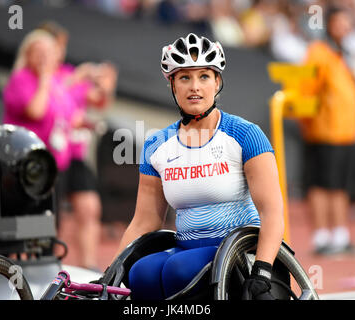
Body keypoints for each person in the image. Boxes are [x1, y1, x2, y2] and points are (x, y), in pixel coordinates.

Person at [112, 33, 284, 300]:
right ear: (172, 84)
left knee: (180, 270)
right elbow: (145, 220)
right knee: (141, 272)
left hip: (237, 250)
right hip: (185, 247)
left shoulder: (245, 134)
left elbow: (271, 210)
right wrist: (112, 270)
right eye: (184, 78)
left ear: (217, 82)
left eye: (204, 76)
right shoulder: (157, 145)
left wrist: (262, 270)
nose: (195, 86)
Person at [3, 29, 110, 270]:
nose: (43, 58)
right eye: (38, 52)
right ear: (27, 54)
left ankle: (46, 268)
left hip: (54, 162)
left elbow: (67, 117)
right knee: (37, 221)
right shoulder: (23, 78)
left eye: (48, 53)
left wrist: (85, 123)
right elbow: (36, 111)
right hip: (28, 162)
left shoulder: (55, 83)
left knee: (51, 220)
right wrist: (43, 78)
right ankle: (30, 271)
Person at [299, 6, 355, 255]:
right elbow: (306, 91)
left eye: (347, 23)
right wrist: (310, 124)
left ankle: (339, 234)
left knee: (339, 185)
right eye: (339, 23)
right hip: (323, 132)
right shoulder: (319, 52)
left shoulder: (343, 54)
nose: (344, 28)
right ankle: (321, 236)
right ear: (329, 25)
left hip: (345, 133)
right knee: (321, 184)